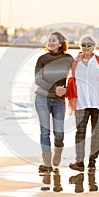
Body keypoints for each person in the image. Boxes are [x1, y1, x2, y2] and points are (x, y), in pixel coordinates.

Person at [66, 34, 99, 172]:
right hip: (81, 103)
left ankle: (92, 161)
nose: (86, 47)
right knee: (80, 132)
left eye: (89, 45)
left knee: (97, 133)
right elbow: (69, 80)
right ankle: (79, 162)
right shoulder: (74, 63)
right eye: (83, 45)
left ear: (94, 47)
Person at [34, 31, 74, 172]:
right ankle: (47, 164)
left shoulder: (69, 59)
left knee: (59, 133)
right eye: (49, 40)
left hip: (59, 101)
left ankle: (58, 151)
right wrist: (54, 89)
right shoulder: (42, 59)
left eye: (53, 40)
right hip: (42, 98)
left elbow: (75, 77)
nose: (50, 42)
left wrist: (65, 90)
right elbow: (38, 79)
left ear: (61, 43)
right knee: (44, 131)